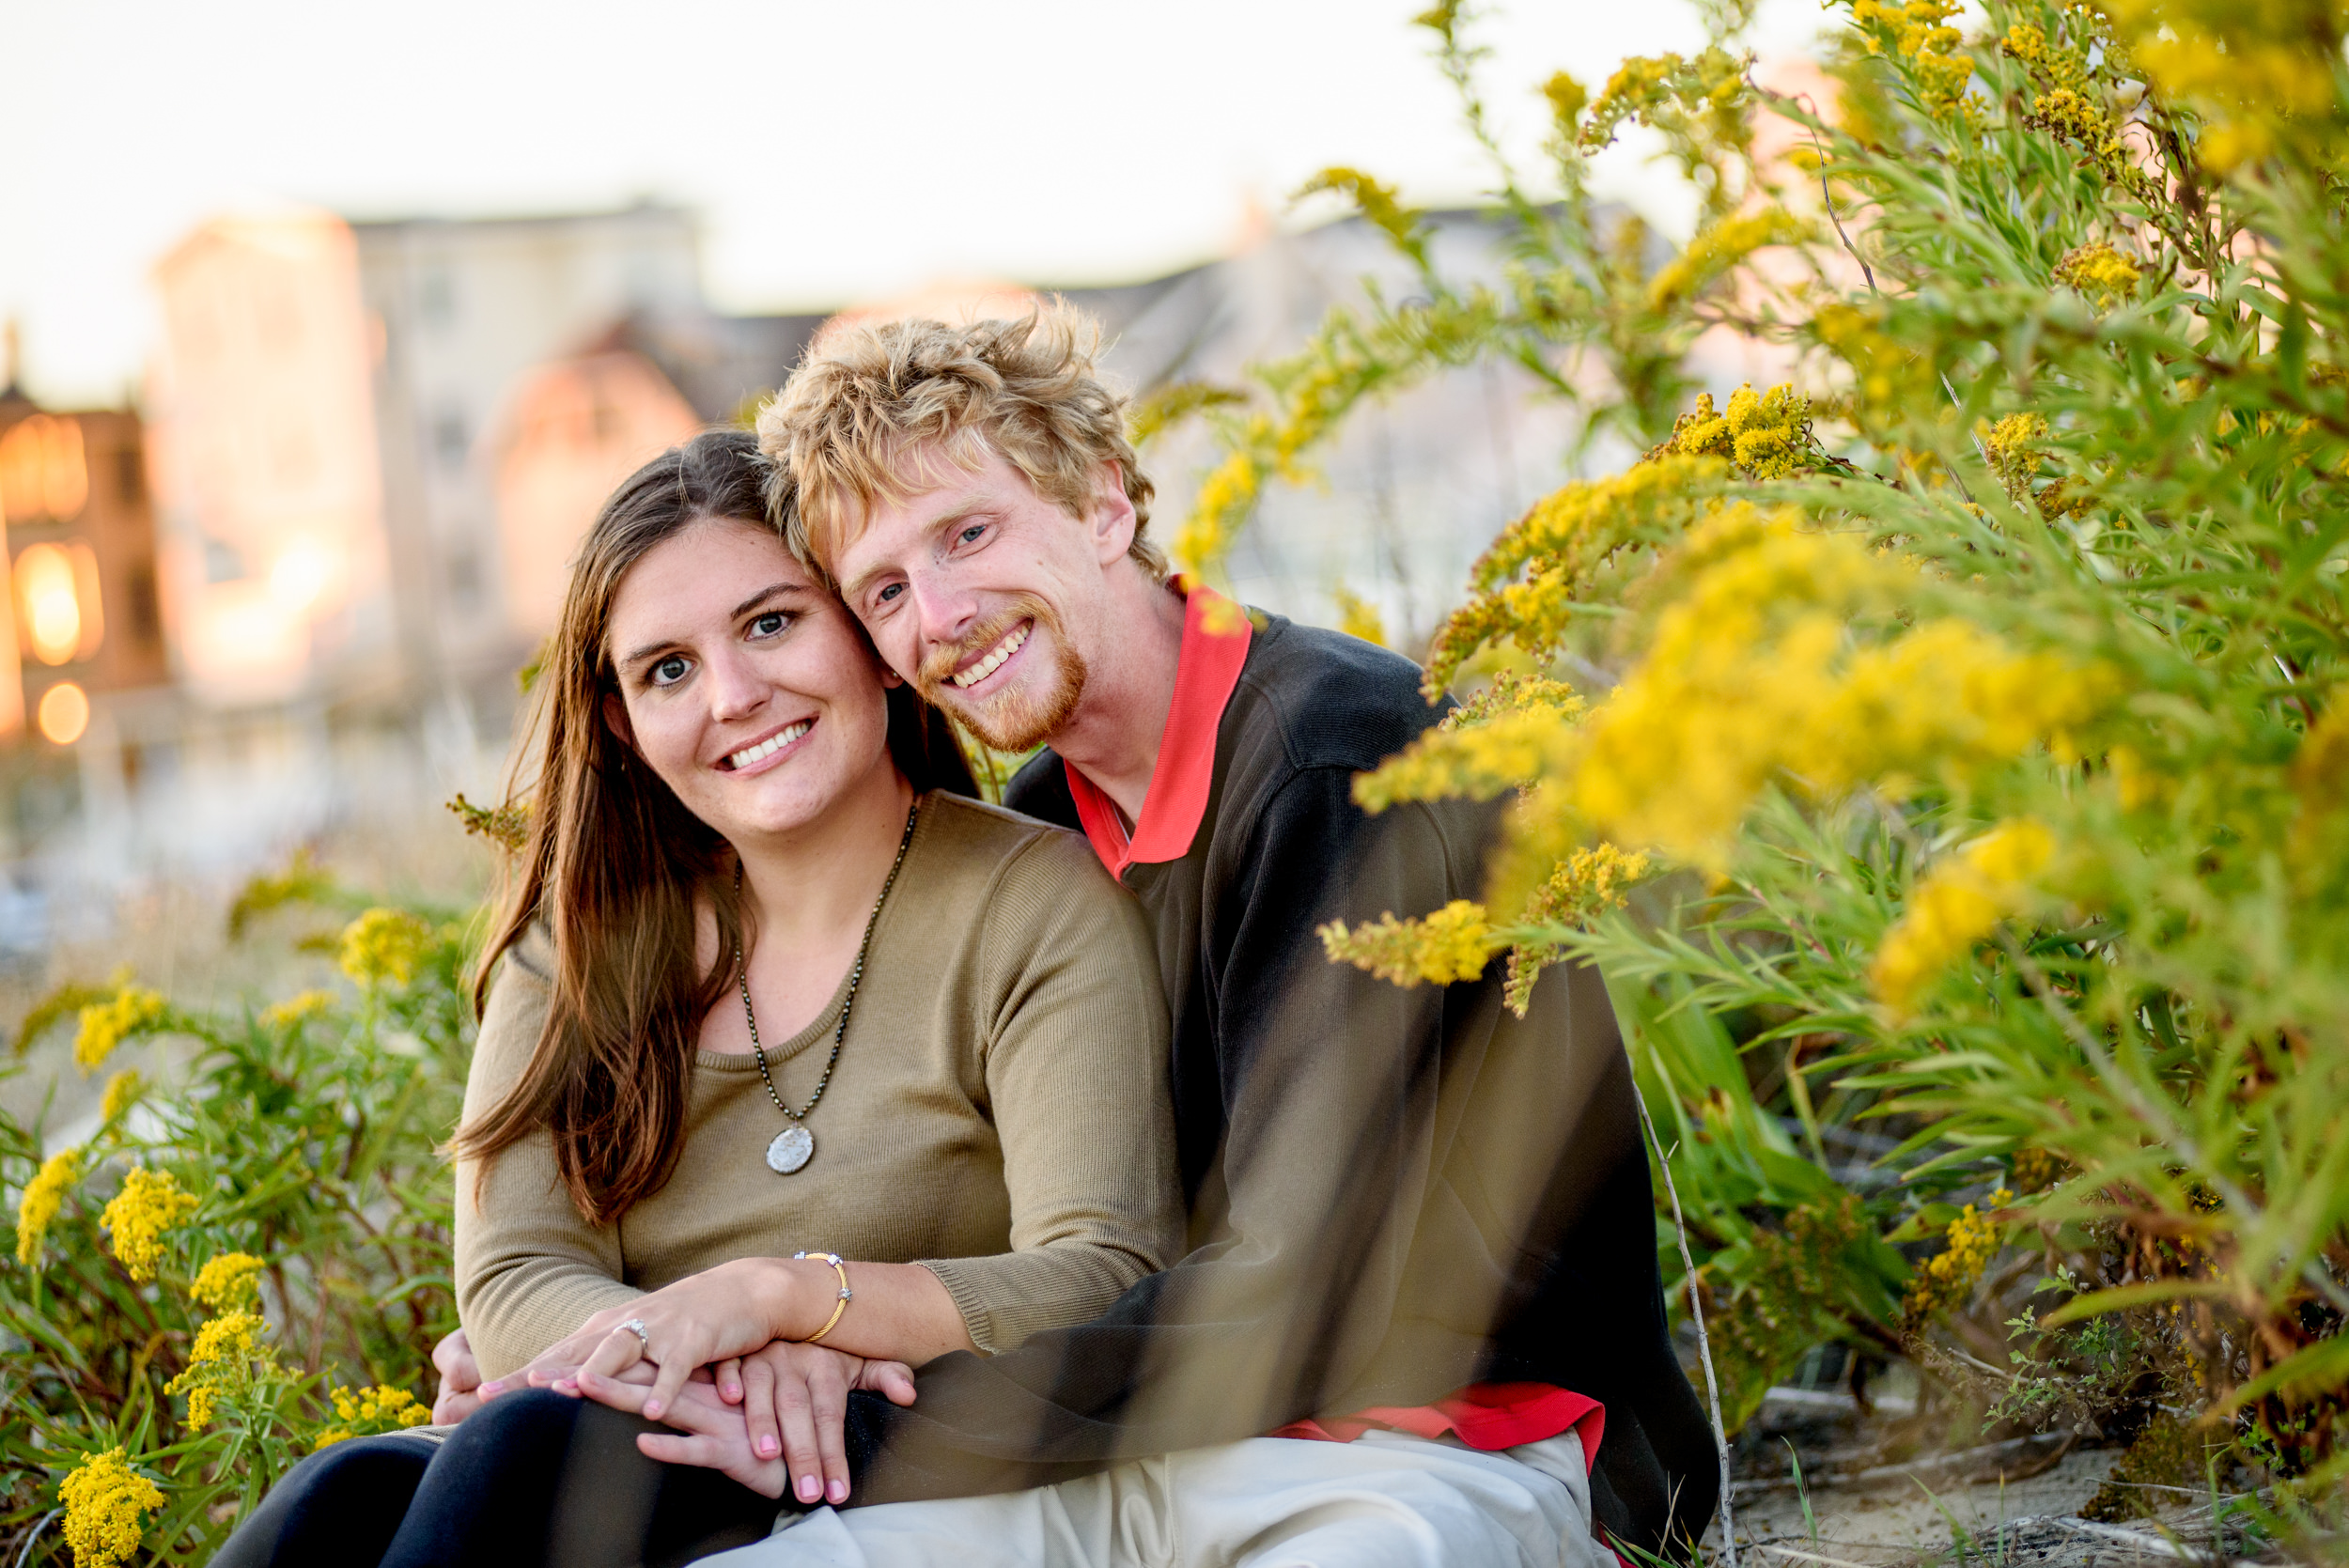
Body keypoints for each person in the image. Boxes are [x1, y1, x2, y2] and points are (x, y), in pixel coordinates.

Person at [594, 307, 1718, 1567]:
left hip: (1466, 1451)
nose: (946, 613)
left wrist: (864, 1413)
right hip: (1168, 1444)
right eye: (888, 592)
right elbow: (1041, 1238)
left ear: (1104, 503)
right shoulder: (1039, 835)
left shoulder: (1330, 763)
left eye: (969, 533)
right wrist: (717, 1342)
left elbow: (1297, 1293)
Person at [209, 428, 1182, 1568]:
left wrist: (784, 1300)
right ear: (622, 721)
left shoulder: (1031, 903)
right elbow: (515, 1276)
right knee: (339, 1494)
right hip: (657, 1433)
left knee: (524, 1447)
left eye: (772, 622)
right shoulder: (576, 949)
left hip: (900, 1461)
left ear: (869, 640)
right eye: (666, 667)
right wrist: (724, 1356)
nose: (733, 695)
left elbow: (1104, 1270)